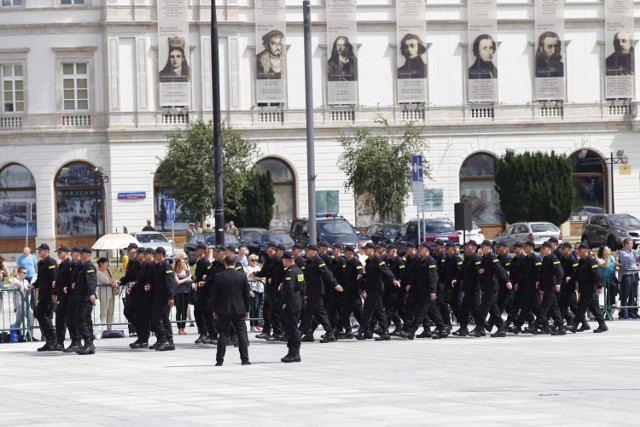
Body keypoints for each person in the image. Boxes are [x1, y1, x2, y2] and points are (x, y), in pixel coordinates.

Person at [211, 255, 251, 366]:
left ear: (225, 263)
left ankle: (220, 360)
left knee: (222, 334)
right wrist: (247, 309)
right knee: (241, 333)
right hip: (239, 308)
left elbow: (215, 295)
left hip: (223, 308)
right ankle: (245, 359)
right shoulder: (242, 276)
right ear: (235, 263)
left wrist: (214, 309)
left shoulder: (219, 276)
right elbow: (246, 294)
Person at [299, 244, 342, 343]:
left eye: (308, 251)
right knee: (316, 313)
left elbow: (327, 273)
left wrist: (335, 284)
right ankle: (310, 334)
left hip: (317, 291)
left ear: (314, 252)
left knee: (313, 313)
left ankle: (303, 332)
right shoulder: (309, 262)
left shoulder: (319, 261)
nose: (306, 252)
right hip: (311, 291)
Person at [573, 244, 608, 333]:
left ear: (585, 250)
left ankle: (574, 325)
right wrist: (570, 278)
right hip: (583, 287)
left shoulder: (590, 261)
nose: (578, 251)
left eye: (579, 250)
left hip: (590, 287)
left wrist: (599, 286)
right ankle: (602, 324)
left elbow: (597, 274)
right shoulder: (581, 261)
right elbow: (577, 273)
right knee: (593, 307)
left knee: (581, 306)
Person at [31, 243, 58, 351]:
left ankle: (53, 338)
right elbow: (41, 279)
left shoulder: (50, 262)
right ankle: (49, 341)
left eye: (40, 250)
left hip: (49, 294)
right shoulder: (41, 263)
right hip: (43, 293)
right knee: (44, 316)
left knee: (40, 314)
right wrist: (33, 285)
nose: (38, 252)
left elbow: (54, 279)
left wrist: (54, 293)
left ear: (46, 251)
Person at [149, 247, 177, 351]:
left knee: (157, 318)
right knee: (163, 318)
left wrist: (171, 297)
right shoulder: (158, 266)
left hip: (165, 297)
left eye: (156, 254)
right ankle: (167, 341)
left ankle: (165, 339)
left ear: (161, 254)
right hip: (158, 297)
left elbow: (170, 282)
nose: (154, 256)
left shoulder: (166, 265)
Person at [280, 251, 305, 363]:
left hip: (291, 302)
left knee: (292, 328)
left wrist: (286, 302)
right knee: (292, 327)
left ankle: (295, 353)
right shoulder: (299, 270)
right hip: (297, 300)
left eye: (283, 260)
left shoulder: (290, 272)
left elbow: (289, 289)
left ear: (287, 260)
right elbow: (303, 286)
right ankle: (291, 352)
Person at [74, 247, 98, 355]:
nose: (80, 255)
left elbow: (92, 281)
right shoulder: (83, 265)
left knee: (81, 319)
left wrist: (92, 293)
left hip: (86, 297)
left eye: (82, 253)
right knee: (86, 319)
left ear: (87, 254)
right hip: (81, 296)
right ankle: (89, 344)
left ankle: (88, 342)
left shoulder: (89, 266)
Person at [53, 245, 74, 350]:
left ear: (66, 253)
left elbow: (71, 278)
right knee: (60, 319)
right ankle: (60, 342)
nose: (58, 254)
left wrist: (67, 286)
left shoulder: (69, 264)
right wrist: (55, 290)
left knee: (67, 319)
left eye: (60, 252)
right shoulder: (61, 265)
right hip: (62, 295)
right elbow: (59, 279)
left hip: (68, 295)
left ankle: (74, 341)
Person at [615, 237, 639, 319]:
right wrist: (635, 253)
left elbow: (638, 259)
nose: (632, 245)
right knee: (625, 295)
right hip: (626, 275)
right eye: (631, 244)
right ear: (625, 244)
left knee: (633, 295)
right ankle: (623, 313)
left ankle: (631, 312)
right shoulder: (621, 252)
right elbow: (628, 258)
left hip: (634, 274)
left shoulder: (633, 252)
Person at [9, 266, 35, 342]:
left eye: (26, 273)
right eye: (24, 273)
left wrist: (29, 289)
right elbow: (9, 289)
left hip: (25, 303)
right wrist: (16, 287)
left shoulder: (26, 281)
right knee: (31, 318)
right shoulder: (15, 281)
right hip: (19, 304)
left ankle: (16, 336)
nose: (25, 274)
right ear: (19, 273)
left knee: (18, 322)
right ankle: (30, 336)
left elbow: (28, 290)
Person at [96, 257, 120, 333]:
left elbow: (112, 279)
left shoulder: (107, 270)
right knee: (104, 312)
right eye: (106, 263)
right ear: (101, 264)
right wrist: (116, 272)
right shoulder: (98, 272)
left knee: (111, 312)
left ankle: (109, 329)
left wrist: (115, 281)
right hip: (104, 294)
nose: (107, 264)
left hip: (111, 293)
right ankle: (102, 330)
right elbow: (109, 281)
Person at [595, 245, 618, 314]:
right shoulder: (599, 259)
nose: (608, 251)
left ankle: (608, 309)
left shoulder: (611, 257)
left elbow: (615, 265)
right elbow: (605, 265)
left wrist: (617, 264)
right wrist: (607, 258)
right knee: (612, 286)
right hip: (603, 278)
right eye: (606, 250)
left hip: (611, 277)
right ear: (602, 251)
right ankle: (612, 303)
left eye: (608, 250)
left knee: (612, 291)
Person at [174, 257, 192, 335]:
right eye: (182, 262)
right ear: (178, 263)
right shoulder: (175, 272)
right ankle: (179, 328)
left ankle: (183, 328)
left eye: (184, 262)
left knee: (185, 311)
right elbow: (177, 282)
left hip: (186, 293)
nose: (184, 263)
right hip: (178, 293)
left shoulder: (187, 272)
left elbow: (191, 280)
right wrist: (187, 278)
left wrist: (187, 278)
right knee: (179, 311)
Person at [246, 255, 264, 332]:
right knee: (254, 307)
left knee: (258, 307)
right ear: (249, 261)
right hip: (253, 289)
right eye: (252, 260)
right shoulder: (248, 268)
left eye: (256, 260)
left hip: (260, 289)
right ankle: (252, 325)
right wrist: (261, 277)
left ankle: (256, 324)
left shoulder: (258, 268)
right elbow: (251, 276)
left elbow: (259, 275)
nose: (255, 262)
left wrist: (259, 277)